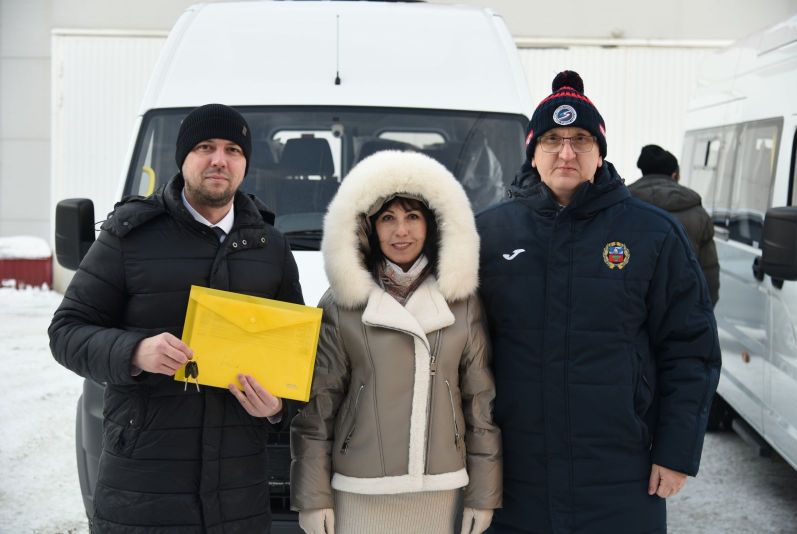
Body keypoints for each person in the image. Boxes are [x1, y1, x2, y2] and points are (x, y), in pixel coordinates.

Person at [476, 71, 721, 533]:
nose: (566, 152)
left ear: (601, 151)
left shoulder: (652, 233)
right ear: (533, 152)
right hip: (514, 477)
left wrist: (676, 452)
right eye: (552, 139)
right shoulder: (488, 233)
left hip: (621, 477)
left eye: (581, 140)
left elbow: (691, 349)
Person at [49, 103, 303, 533]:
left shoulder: (271, 247)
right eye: (205, 147)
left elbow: (299, 359)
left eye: (233, 150)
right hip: (143, 489)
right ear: (183, 157)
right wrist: (134, 351)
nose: (219, 159)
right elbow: (66, 332)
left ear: (245, 164)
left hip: (238, 496)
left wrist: (280, 406)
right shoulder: (128, 237)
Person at [290, 150, 501, 534]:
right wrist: (313, 497)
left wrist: (483, 495)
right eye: (387, 218)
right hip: (359, 489)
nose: (400, 231)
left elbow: (480, 406)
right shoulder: (342, 303)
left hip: (442, 489)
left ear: (432, 224)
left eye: (412, 217)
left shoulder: (462, 302)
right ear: (368, 227)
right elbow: (318, 409)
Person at [629, 144, 720, 305]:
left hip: (632, 307)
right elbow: (709, 271)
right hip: (682, 308)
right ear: (674, 174)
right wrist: (704, 309)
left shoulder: (622, 207)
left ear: (643, 172)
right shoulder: (698, 213)